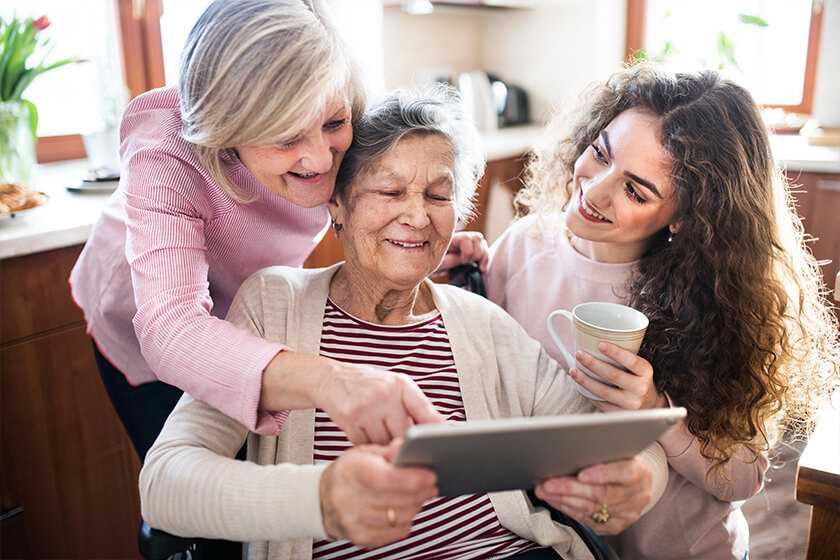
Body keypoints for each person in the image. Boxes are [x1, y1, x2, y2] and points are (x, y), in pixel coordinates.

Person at [139, 86, 670, 560]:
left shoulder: (484, 325)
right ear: (339, 205)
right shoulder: (275, 305)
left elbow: (624, 444)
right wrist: (322, 499)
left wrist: (638, 480)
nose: (417, 216)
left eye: (438, 196)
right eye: (390, 192)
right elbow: (163, 485)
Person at [68, 0, 485, 461]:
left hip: (248, 300)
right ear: (228, 129)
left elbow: (370, 198)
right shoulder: (166, 145)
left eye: (333, 124)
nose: (323, 160)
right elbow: (172, 329)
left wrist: (410, 244)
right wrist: (330, 379)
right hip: (142, 318)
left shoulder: (346, 103)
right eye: (287, 137)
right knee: (203, 487)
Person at [486, 63, 840, 559]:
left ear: (688, 218)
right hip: (567, 545)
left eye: (635, 190)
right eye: (601, 153)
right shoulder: (521, 248)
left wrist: (656, 411)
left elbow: (742, 478)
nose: (595, 189)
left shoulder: (720, 301)